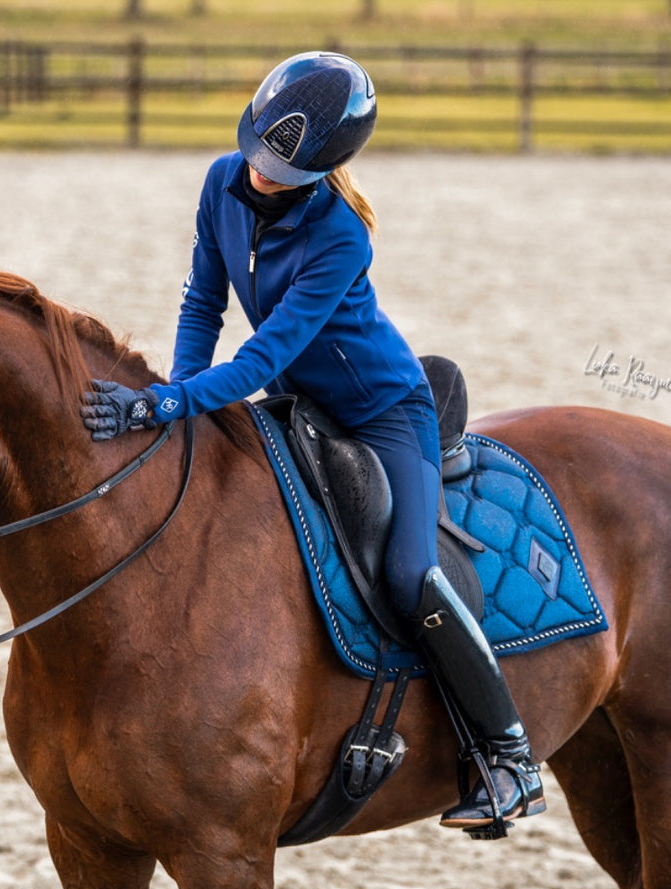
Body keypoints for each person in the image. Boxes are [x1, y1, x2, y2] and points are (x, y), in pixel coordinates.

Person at [80, 51, 543, 831]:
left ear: (323, 168)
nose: (262, 175)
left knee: (408, 571)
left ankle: (507, 756)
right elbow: (203, 301)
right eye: (259, 155)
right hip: (300, 402)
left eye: (282, 171)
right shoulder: (220, 182)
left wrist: (168, 403)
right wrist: (180, 398)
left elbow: (266, 354)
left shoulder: (341, 235)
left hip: (385, 415)